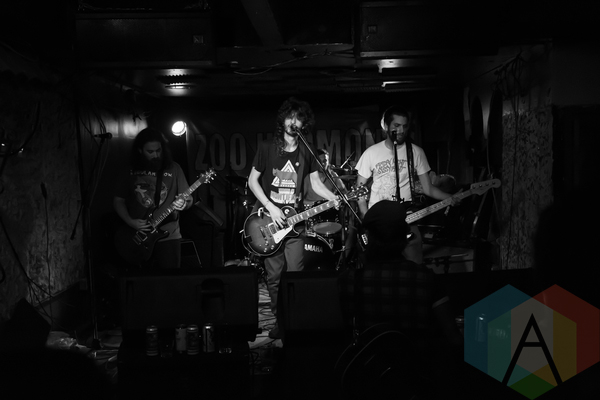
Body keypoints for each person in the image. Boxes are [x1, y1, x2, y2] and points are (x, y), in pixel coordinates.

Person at [337, 200, 463, 399]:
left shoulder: (348, 281)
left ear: (368, 239)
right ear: (405, 236)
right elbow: (453, 338)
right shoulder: (426, 279)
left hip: (369, 386)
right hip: (415, 385)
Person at [247, 97, 339, 339]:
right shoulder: (267, 148)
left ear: (304, 123)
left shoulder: (307, 150)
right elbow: (252, 181)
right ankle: (280, 323)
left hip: (295, 224)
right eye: (290, 117)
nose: (293, 122)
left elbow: (316, 183)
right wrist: (270, 207)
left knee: (296, 275)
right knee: (274, 278)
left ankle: (295, 321)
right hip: (270, 221)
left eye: (298, 118)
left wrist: (334, 196)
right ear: (283, 120)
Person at [355, 106, 457, 264]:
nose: (401, 130)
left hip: (406, 218)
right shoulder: (371, 153)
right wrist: (366, 216)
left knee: (414, 262)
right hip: (379, 221)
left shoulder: (416, 152)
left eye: (404, 126)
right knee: (379, 266)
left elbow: (428, 189)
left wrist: (450, 197)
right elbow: (359, 192)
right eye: (396, 126)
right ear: (386, 126)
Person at [113, 127, 193, 269]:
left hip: (168, 236)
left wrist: (184, 203)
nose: (156, 155)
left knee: (170, 279)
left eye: (158, 150)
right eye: (150, 152)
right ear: (140, 151)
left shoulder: (174, 168)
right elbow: (118, 200)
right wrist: (130, 221)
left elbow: (188, 198)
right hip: (137, 234)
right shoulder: (130, 171)